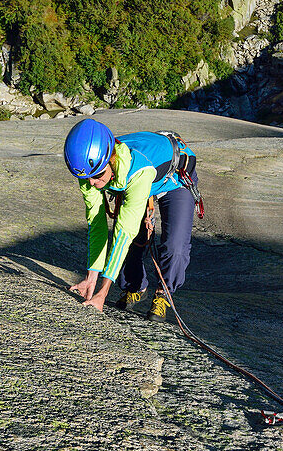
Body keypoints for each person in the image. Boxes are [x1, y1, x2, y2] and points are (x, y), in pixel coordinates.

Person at [64, 118, 201, 319]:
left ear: (110, 159)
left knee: (175, 247)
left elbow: (123, 232)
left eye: (98, 176)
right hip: (141, 178)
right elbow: (97, 224)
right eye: (87, 178)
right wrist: (90, 278)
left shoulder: (137, 170)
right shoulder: (88, 168)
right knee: (136, 240)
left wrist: (102, 294)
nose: (93, 183)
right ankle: (134, 287)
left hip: (176, 180)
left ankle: (164, 293)